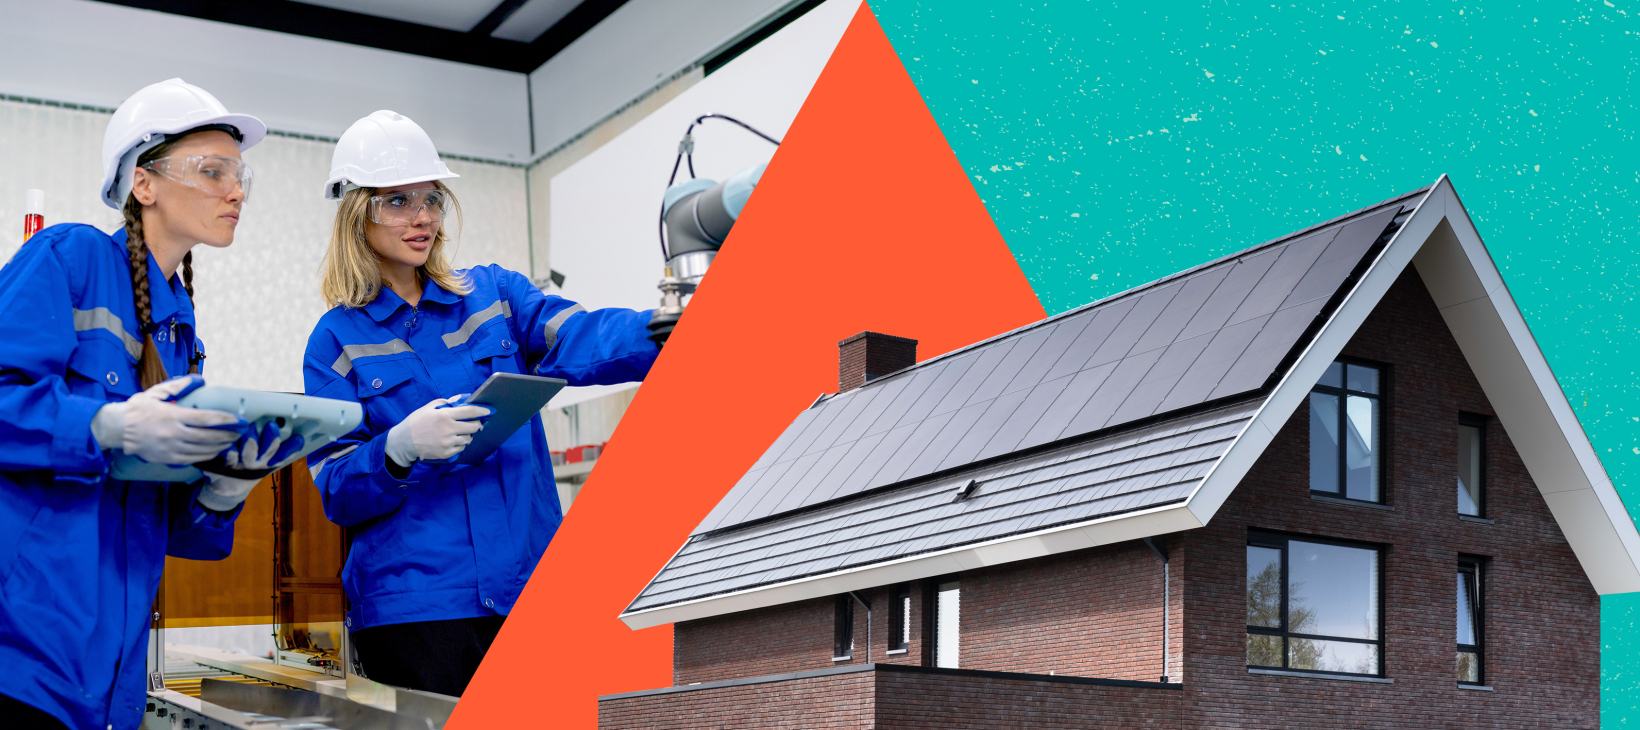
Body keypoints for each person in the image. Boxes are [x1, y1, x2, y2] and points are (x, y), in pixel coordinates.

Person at [302, 110, 660, 696]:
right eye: (397, 201)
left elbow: (583, 336)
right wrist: (398, 449)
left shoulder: (494, 295)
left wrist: (667, 328)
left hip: (532, 585)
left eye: (431, 198)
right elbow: (336, 487)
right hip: (418, 611)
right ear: (355, 213)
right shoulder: (335, 341)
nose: (421, 218)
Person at [0, 79, 284, 730]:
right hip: (24, 655)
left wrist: (222, 491)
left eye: (239, 174)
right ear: (144, 183)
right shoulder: (67, 259)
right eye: (212, 170)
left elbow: (167, 523)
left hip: (113, 677)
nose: (235, 190)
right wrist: (106, 425)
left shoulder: (181, 336)